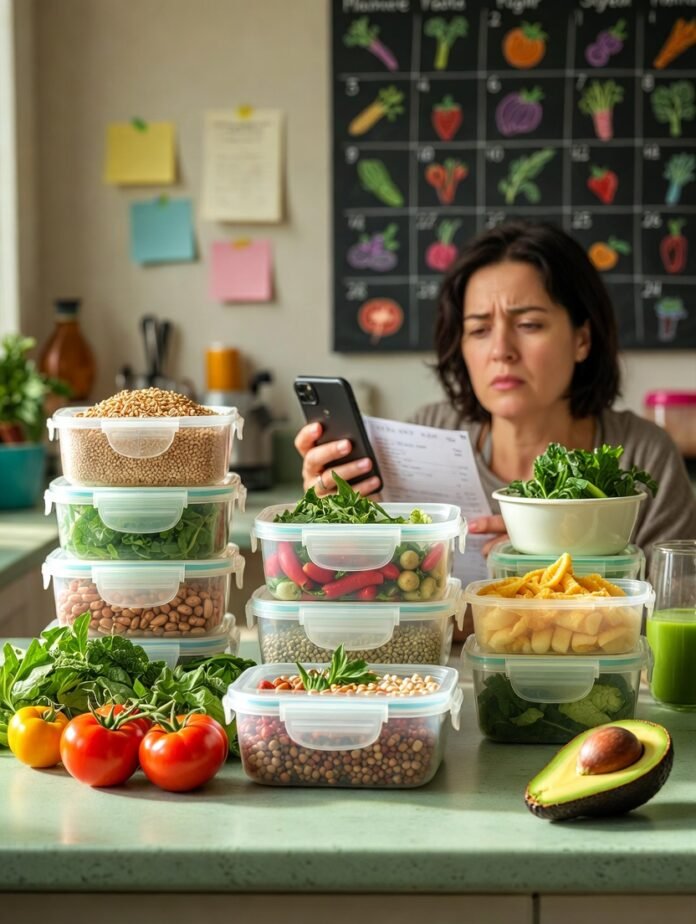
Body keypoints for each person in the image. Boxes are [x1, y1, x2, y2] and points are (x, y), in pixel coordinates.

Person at [295, 221, 696, 563]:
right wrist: (334, 519)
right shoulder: (426, 435)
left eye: (529, 325)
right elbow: (374, 586)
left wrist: (556, 569)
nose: (501, 350)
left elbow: (674, 602)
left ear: (582, 339)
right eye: (479, 329)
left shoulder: (644, 456)